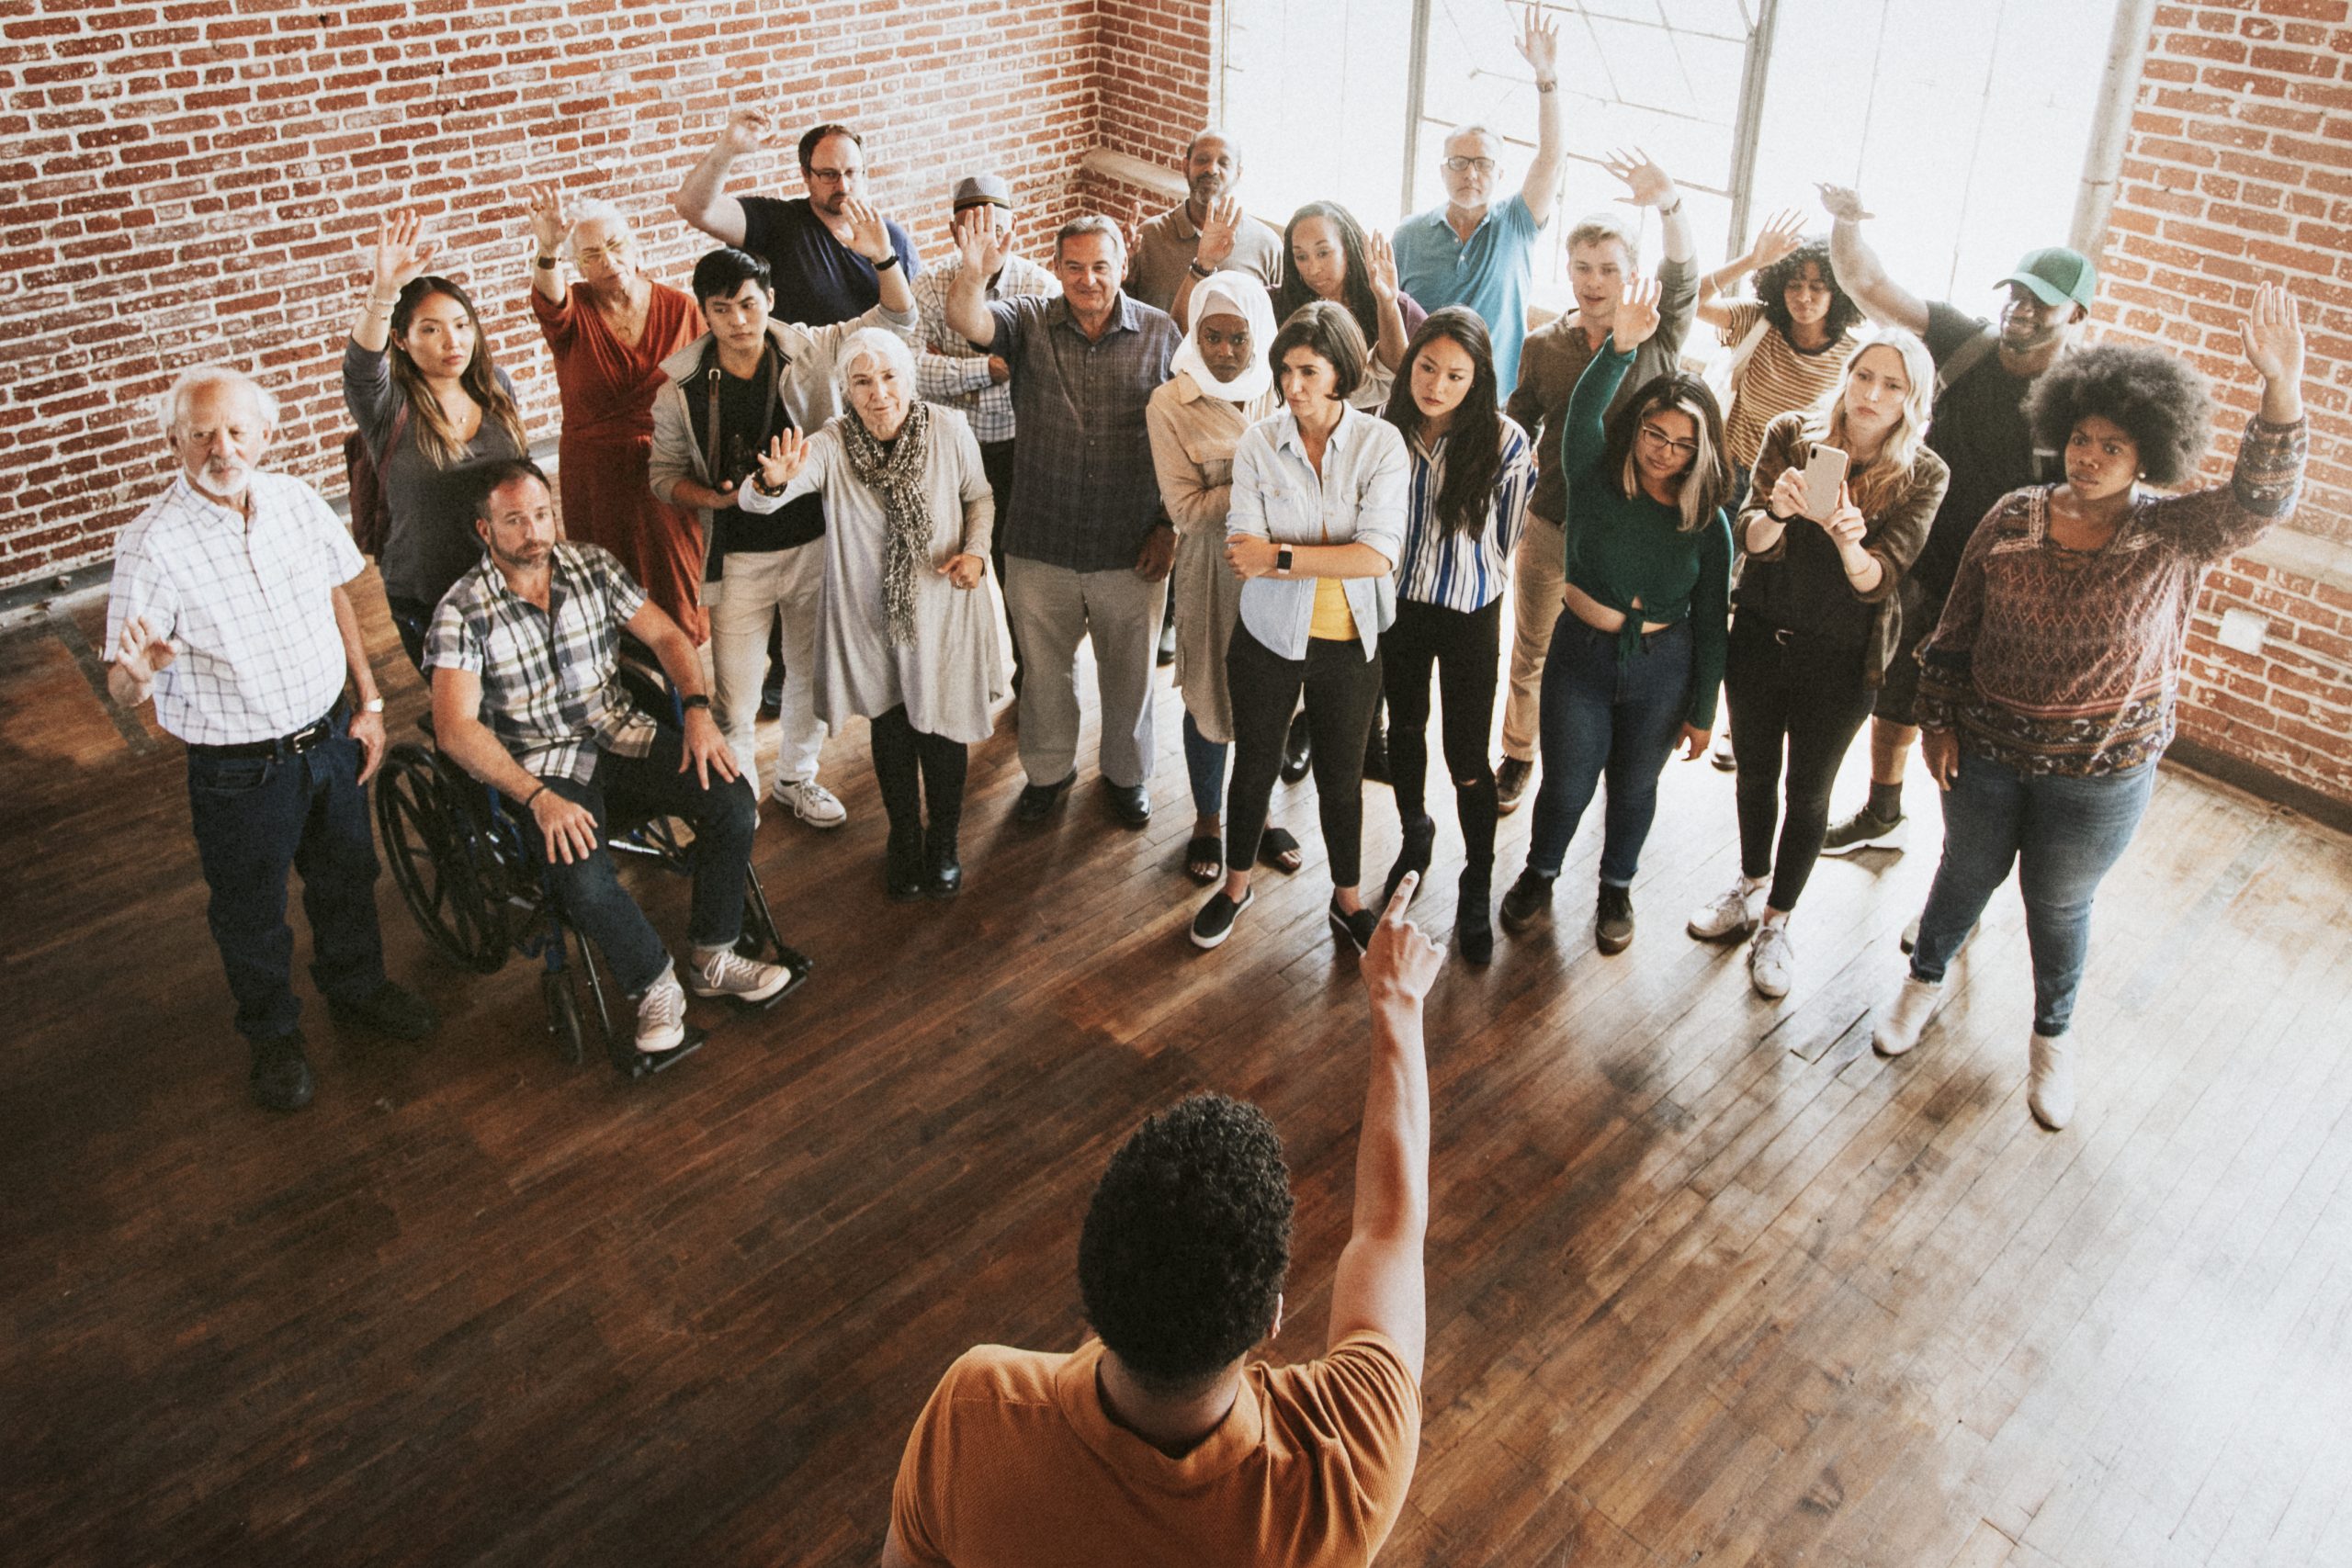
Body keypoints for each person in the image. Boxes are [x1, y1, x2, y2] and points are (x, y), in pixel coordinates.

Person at [884, 875, 1443, 1567]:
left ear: (1093, 1280)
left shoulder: (975, 1409)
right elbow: (1389, 1228)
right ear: (1272, 1316)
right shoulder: (1343, 1468)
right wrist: (1397, 1002)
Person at [1871, 287, 2306, 1131]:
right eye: (2080, 437)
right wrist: (1938, 719)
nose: (2090, 456)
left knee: (2058, 905)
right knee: (1962, 874)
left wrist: (2280, 389)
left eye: (2113, 445)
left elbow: (2261, 501)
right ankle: (1920, 986)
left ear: (2148, 456)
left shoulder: (2179, 534)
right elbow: (1955, 628)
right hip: (1987, 755)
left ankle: (2052, 1041)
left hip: (2102, 774)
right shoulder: (2011, 515)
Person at [107, 367, 435, 1112]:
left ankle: (357, 988)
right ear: (174, 442)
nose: (221, 448)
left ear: (266, 434)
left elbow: (335, 595)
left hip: (328, 739)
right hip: (239, 771)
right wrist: (134, 676)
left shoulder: (293, 500)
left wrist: (372, 699)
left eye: (235, 431)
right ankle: (274, 1034)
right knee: (251, 913)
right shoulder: (150, 546)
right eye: (200, 434)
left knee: (348, 878)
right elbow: (123, 686)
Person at [424, 460, 796, 1061]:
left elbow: (669, 637)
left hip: (622, 730)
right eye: (514, 519)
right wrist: (537, 798)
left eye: (541, 514)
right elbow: (454, 728)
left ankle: (713, 954)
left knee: (733, 798)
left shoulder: (590, 566)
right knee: (583, 876)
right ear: (484, 530)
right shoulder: (462, 610)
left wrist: (698, 710)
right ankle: (655, 984)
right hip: (543, 763)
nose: (534, 531)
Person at [1815, 186, 2098, 857]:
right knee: (1895, 692)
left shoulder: (2082, 396)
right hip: (1925, 560)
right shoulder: (1963, 341)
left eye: (2041, 302)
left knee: (1977, 730)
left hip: (2013, 586)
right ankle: (1883, 814)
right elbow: (1866, 281)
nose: (2021, 311)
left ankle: (1964, 865)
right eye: (2017, 295)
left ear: (2076, 313)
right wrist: (1848, 222)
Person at [1684, 330, 1949, 998]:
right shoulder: (1791, 433)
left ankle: (1778, 922)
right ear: (1848, 374)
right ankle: (1748, 885)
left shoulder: (1924, 472)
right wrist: (1777, 510)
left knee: (1809, 792)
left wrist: (1850, 541)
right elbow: (1747, 533)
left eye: (1893, 385)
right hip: (1760, 638)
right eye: (1864, 375)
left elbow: (1881, 581)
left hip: (1843, 660)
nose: (1871, 394)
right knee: (1753, 774)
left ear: (1912, 400)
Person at [648, 236, 921, 830]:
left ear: (769, 299)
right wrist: (717, 497)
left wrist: (883, 258)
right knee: (738, 694)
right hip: (738, 557)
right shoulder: (681, 386)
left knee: (809, 672)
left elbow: (897, 316)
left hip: (817, 543)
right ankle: (738, 802)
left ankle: (797, 776)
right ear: (704, 312)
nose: (738, 320)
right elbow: (664, 478)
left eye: (749, 304)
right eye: (721, 309)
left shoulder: (810, 348)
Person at [1498, 278, 1734, 953]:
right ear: (1635, 432)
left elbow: (1714, 620)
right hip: (1582, 655)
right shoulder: (1594, 478)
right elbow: (1580, 415)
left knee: (1634, 789)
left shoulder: (1707, 524)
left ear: (1701, 451)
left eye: (1682, 443)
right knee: (1567, 784)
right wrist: (1619, 352)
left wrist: (1704, 707)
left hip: (1663, 667)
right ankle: (1540, 875)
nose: (1663, 449)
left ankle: (1616, 887)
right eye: (1654, 433)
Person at [740, 329, 1002, 900]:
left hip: (944, 608)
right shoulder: (832, 443)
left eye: (888, 378)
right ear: (846, 389)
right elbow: (757, 498)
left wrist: (978, 553)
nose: (878, 393)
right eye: (861, 381)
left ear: (907, 379)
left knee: (942, 730)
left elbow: (979, 498)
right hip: (870, 615)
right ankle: (905, 838)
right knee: (890, 726)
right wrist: (770, 480)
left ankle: (946, 843)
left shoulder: (949, 429)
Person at [944, 213, 1182, 829]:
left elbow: (1184, 439)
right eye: (1073, 266)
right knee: (1045, 674)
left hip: (1131, 543)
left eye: (1100, 265)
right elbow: (968, 321)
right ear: (1055, 269)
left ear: (1121, 265)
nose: (1087, 279)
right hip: (1039, 537)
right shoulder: (1026, 319)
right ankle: (1048, 775)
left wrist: (1169, 525)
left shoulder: (1162, 333)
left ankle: (1127, 776)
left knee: (1129, 676)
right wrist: (973, 275)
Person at [1192, 303, 1408, 954]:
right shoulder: (1261, 440)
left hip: (1350, 641)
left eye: (1308, 371)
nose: (1292, 386)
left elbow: (1376, 556)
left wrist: (1281, 557)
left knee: (1341, 778)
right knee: (1253, 765)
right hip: (1268, 638)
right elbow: (1241, 545)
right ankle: (1234, 887)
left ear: (1340, 371)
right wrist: (1311, 555)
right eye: (1285, 370)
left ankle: (1348, 902)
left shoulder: (1381, 444)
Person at [1498, 152, 1698, 814]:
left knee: (1611, 657)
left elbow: (1686, 272)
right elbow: (1520, 413)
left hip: (1632, 534)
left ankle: (1600, 764)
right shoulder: (1546, 343)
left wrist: (1669, 203)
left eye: (1609, 269)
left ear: (1631, 276)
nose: (1593, 281)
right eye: (1582, 268)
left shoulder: (1658, 333)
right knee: (1531, 646)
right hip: (1552, 522)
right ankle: (1518, 752)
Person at [1374, 308, 1535, 964]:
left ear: (1479, 379)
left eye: (1455, 374)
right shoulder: (1384, 432)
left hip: (1469, 610)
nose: (1437, 384)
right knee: (1404, 729)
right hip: (1400, 606)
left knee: (1468, 756)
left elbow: (1508, 538)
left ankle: (1477, 875)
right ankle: (1416, 831)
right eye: (1427, 367)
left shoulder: (1505, 442)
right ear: (1410, 363)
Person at [1145, 271, 1305, 886]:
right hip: (1215, 569)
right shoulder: (1170, 404)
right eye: (1212, 336)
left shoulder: (1283, 387)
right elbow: (1186, 510)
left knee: (1271, 696)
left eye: (1239, 338)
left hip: (1285, 568)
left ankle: (1257, 816)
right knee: (1209, 693)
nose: (1226, 352)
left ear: (1258, 334)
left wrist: (1237, 490)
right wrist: (1268, 484)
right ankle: (1209, 820)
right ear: (1195, 333)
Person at [522, 187, 709, 642]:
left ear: (635, 245)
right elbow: (549, 298)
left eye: (615, 245)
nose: (608, 261)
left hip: (668, 467)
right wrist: (547, 251)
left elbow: (705, 387)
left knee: (677, 582)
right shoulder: (574, 311)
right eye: (591, 255)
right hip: (597, 475)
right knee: (611, 586)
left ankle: (686, 690)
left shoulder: (680, 307)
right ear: (580, 266)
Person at [344, 210, 530, 665]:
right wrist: (384, 291)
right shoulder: (388, 404)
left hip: (507, 580)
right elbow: (360, 368)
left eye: (462, 324)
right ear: (401, 340)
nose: (453, 341)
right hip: (431, 596)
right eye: (430, 329)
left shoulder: (495, 385)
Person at [910, 174, 1059, 692]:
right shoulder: (928, 284)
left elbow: (1049, 375)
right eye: (971, 230)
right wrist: (984, 371)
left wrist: (947, 370)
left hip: (1024, 451)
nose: (982, 241)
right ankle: (962, 676)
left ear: (1012, 230)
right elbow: (908, 372)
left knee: (1019, 570)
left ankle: (1031, 674)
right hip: (953, 453)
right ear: (953, 230)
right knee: (953, 562)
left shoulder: (1040, 287)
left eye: (993, 229)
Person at [1390, 6, 1562, 397]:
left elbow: (1551, 159)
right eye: (1459, 162)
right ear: (1442, 171)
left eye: (1483, 164)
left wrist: (1546, 78)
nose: (1470, 174)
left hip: (1491, 403)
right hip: (1420, 398)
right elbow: (1389, 315)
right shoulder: (1409, 235)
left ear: (1500, 174)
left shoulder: (1517, 223)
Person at [668, 111, 921, 325]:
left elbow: (913, 321)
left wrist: (883, 256)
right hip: (804, 378)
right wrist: (727, 150)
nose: (843, 185)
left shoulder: (893, 238)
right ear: (806, 175)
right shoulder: (778, 223)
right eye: (829, 174)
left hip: (876, 377)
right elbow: (695, 208)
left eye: (852, 172)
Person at [1694, 210, 1866, 489]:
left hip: (1799, 491)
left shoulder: (1854, 357)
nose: (1803, 297)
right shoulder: (1756, 322)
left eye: (1817, 287)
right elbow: (1687, 299)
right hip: (1733, 478)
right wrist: (1751, 261)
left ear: (1838, 293)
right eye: (1794, 285)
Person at [1273, 201, 1427, 412]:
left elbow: (1404, 377)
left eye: (1323, 253)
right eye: (1301, 257)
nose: (1313, 268)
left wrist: (1386, 303)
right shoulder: (1277, 303)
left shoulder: (1402, 309)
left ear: (1348, 247)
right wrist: (1209, 267)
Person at [1127, 128, 1283, 319]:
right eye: (1202, 160)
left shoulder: (1266, 244)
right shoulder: (1149, 235)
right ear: (1185, 167)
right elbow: (1125, 312)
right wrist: (1116, 262)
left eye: (1224, 163)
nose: (1211, 169)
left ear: (1238, 174)